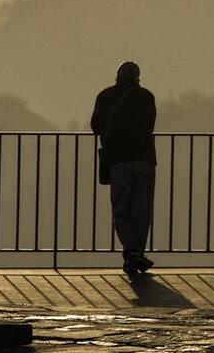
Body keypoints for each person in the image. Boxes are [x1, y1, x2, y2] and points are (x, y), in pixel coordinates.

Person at [91, 61, 157, 276]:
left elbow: (96, 125)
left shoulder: (105, 96)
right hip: (145, 159)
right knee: (142, 211)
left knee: (121, 210)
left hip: (119, 161)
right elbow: (150, 124)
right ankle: (135, 253)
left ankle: (132, 251)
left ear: (117, 76)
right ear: (138, 77)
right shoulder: (147, 97)